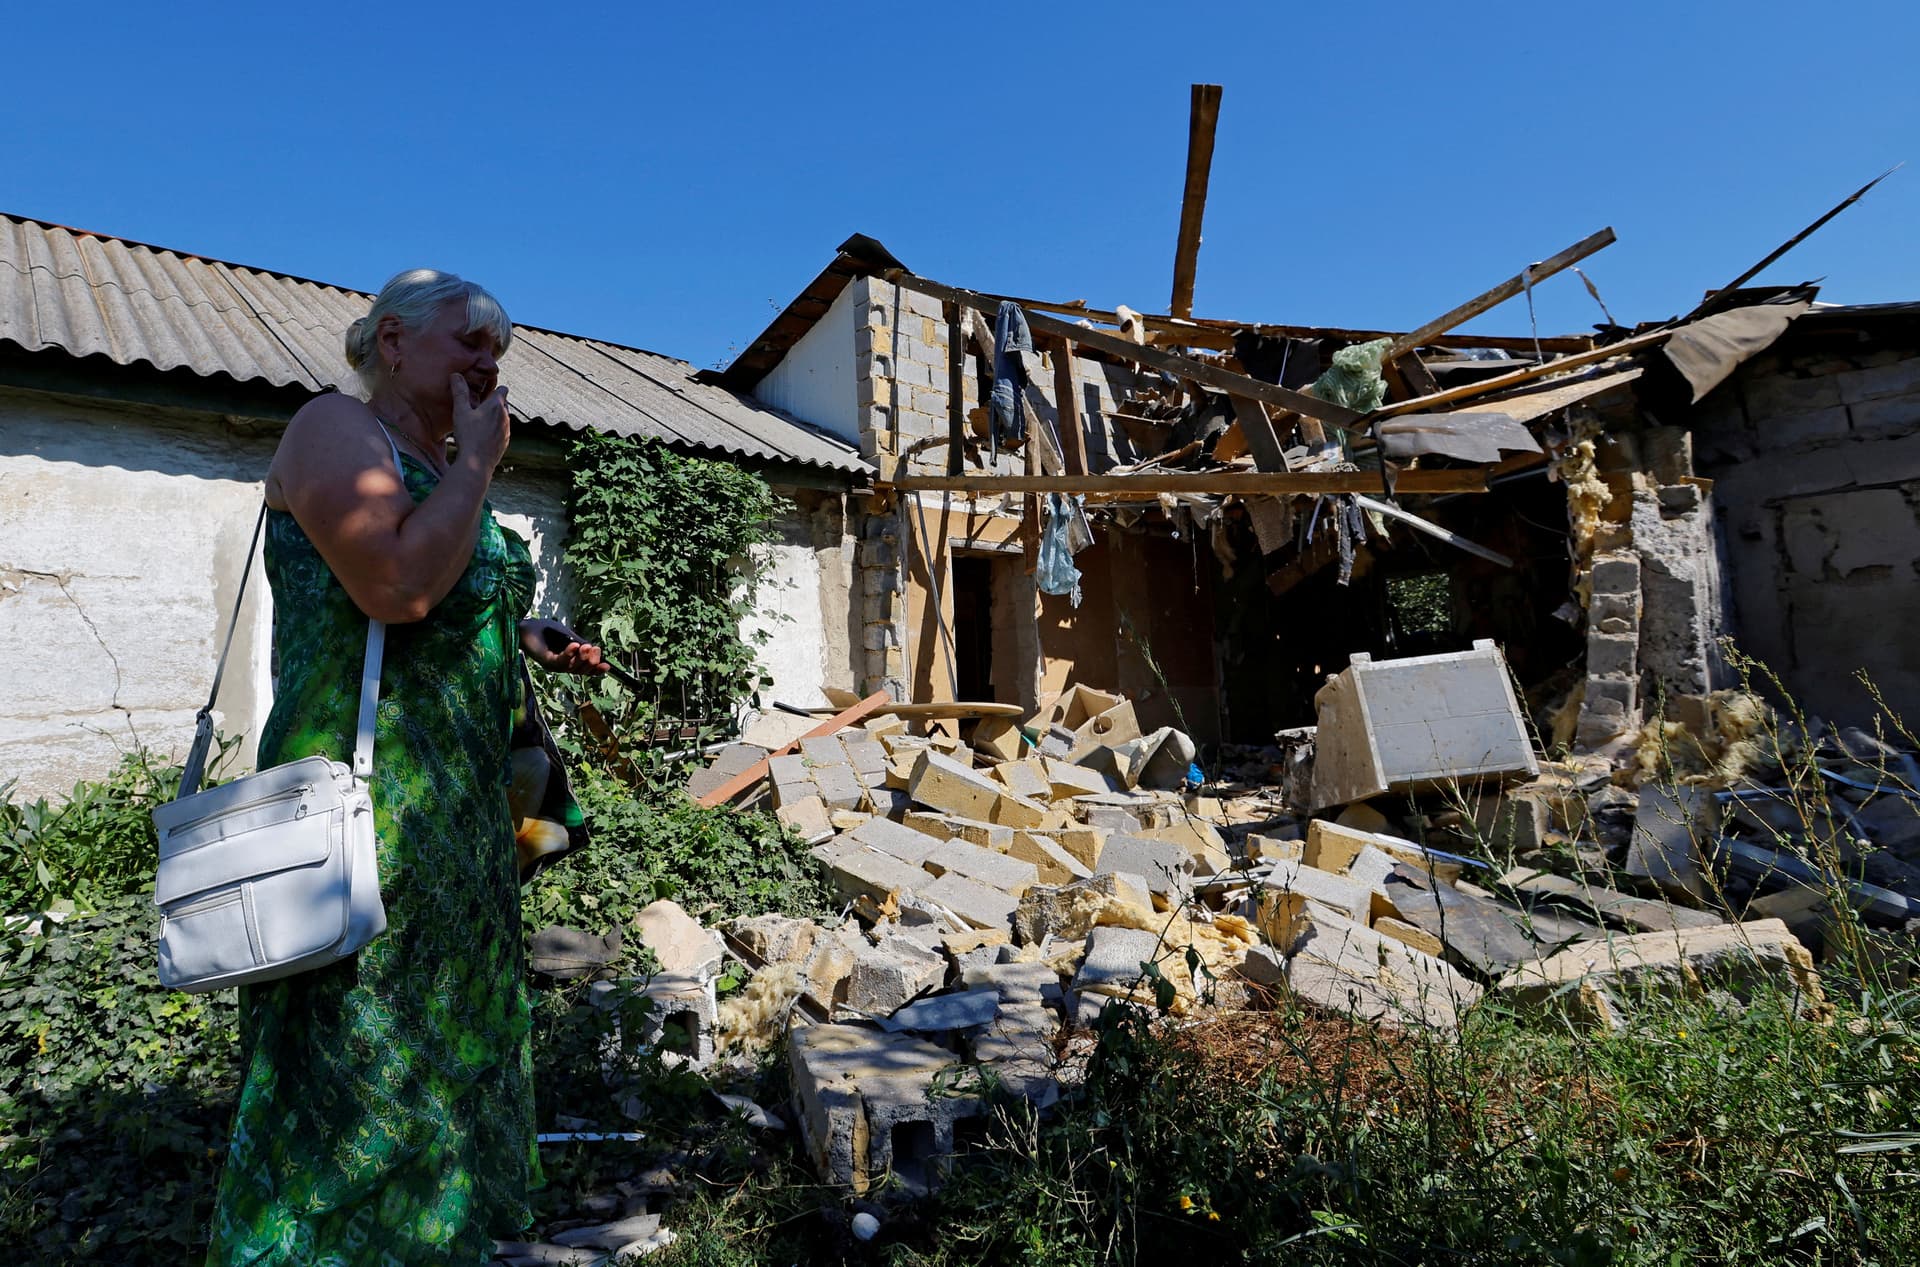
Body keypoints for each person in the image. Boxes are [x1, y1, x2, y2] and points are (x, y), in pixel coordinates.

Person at [207, 269, 606, 1265]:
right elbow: (394, 587)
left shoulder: (437, 459)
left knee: (447, 1031)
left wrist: (524, 633)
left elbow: (444, 595)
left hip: (453, 813)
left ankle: (441, 1231)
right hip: (364, 804)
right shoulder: (335, 430)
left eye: (497, 351)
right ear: (391, 342)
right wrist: (478, 466)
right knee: (358, 1038)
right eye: (469, 341)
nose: (488, 363)